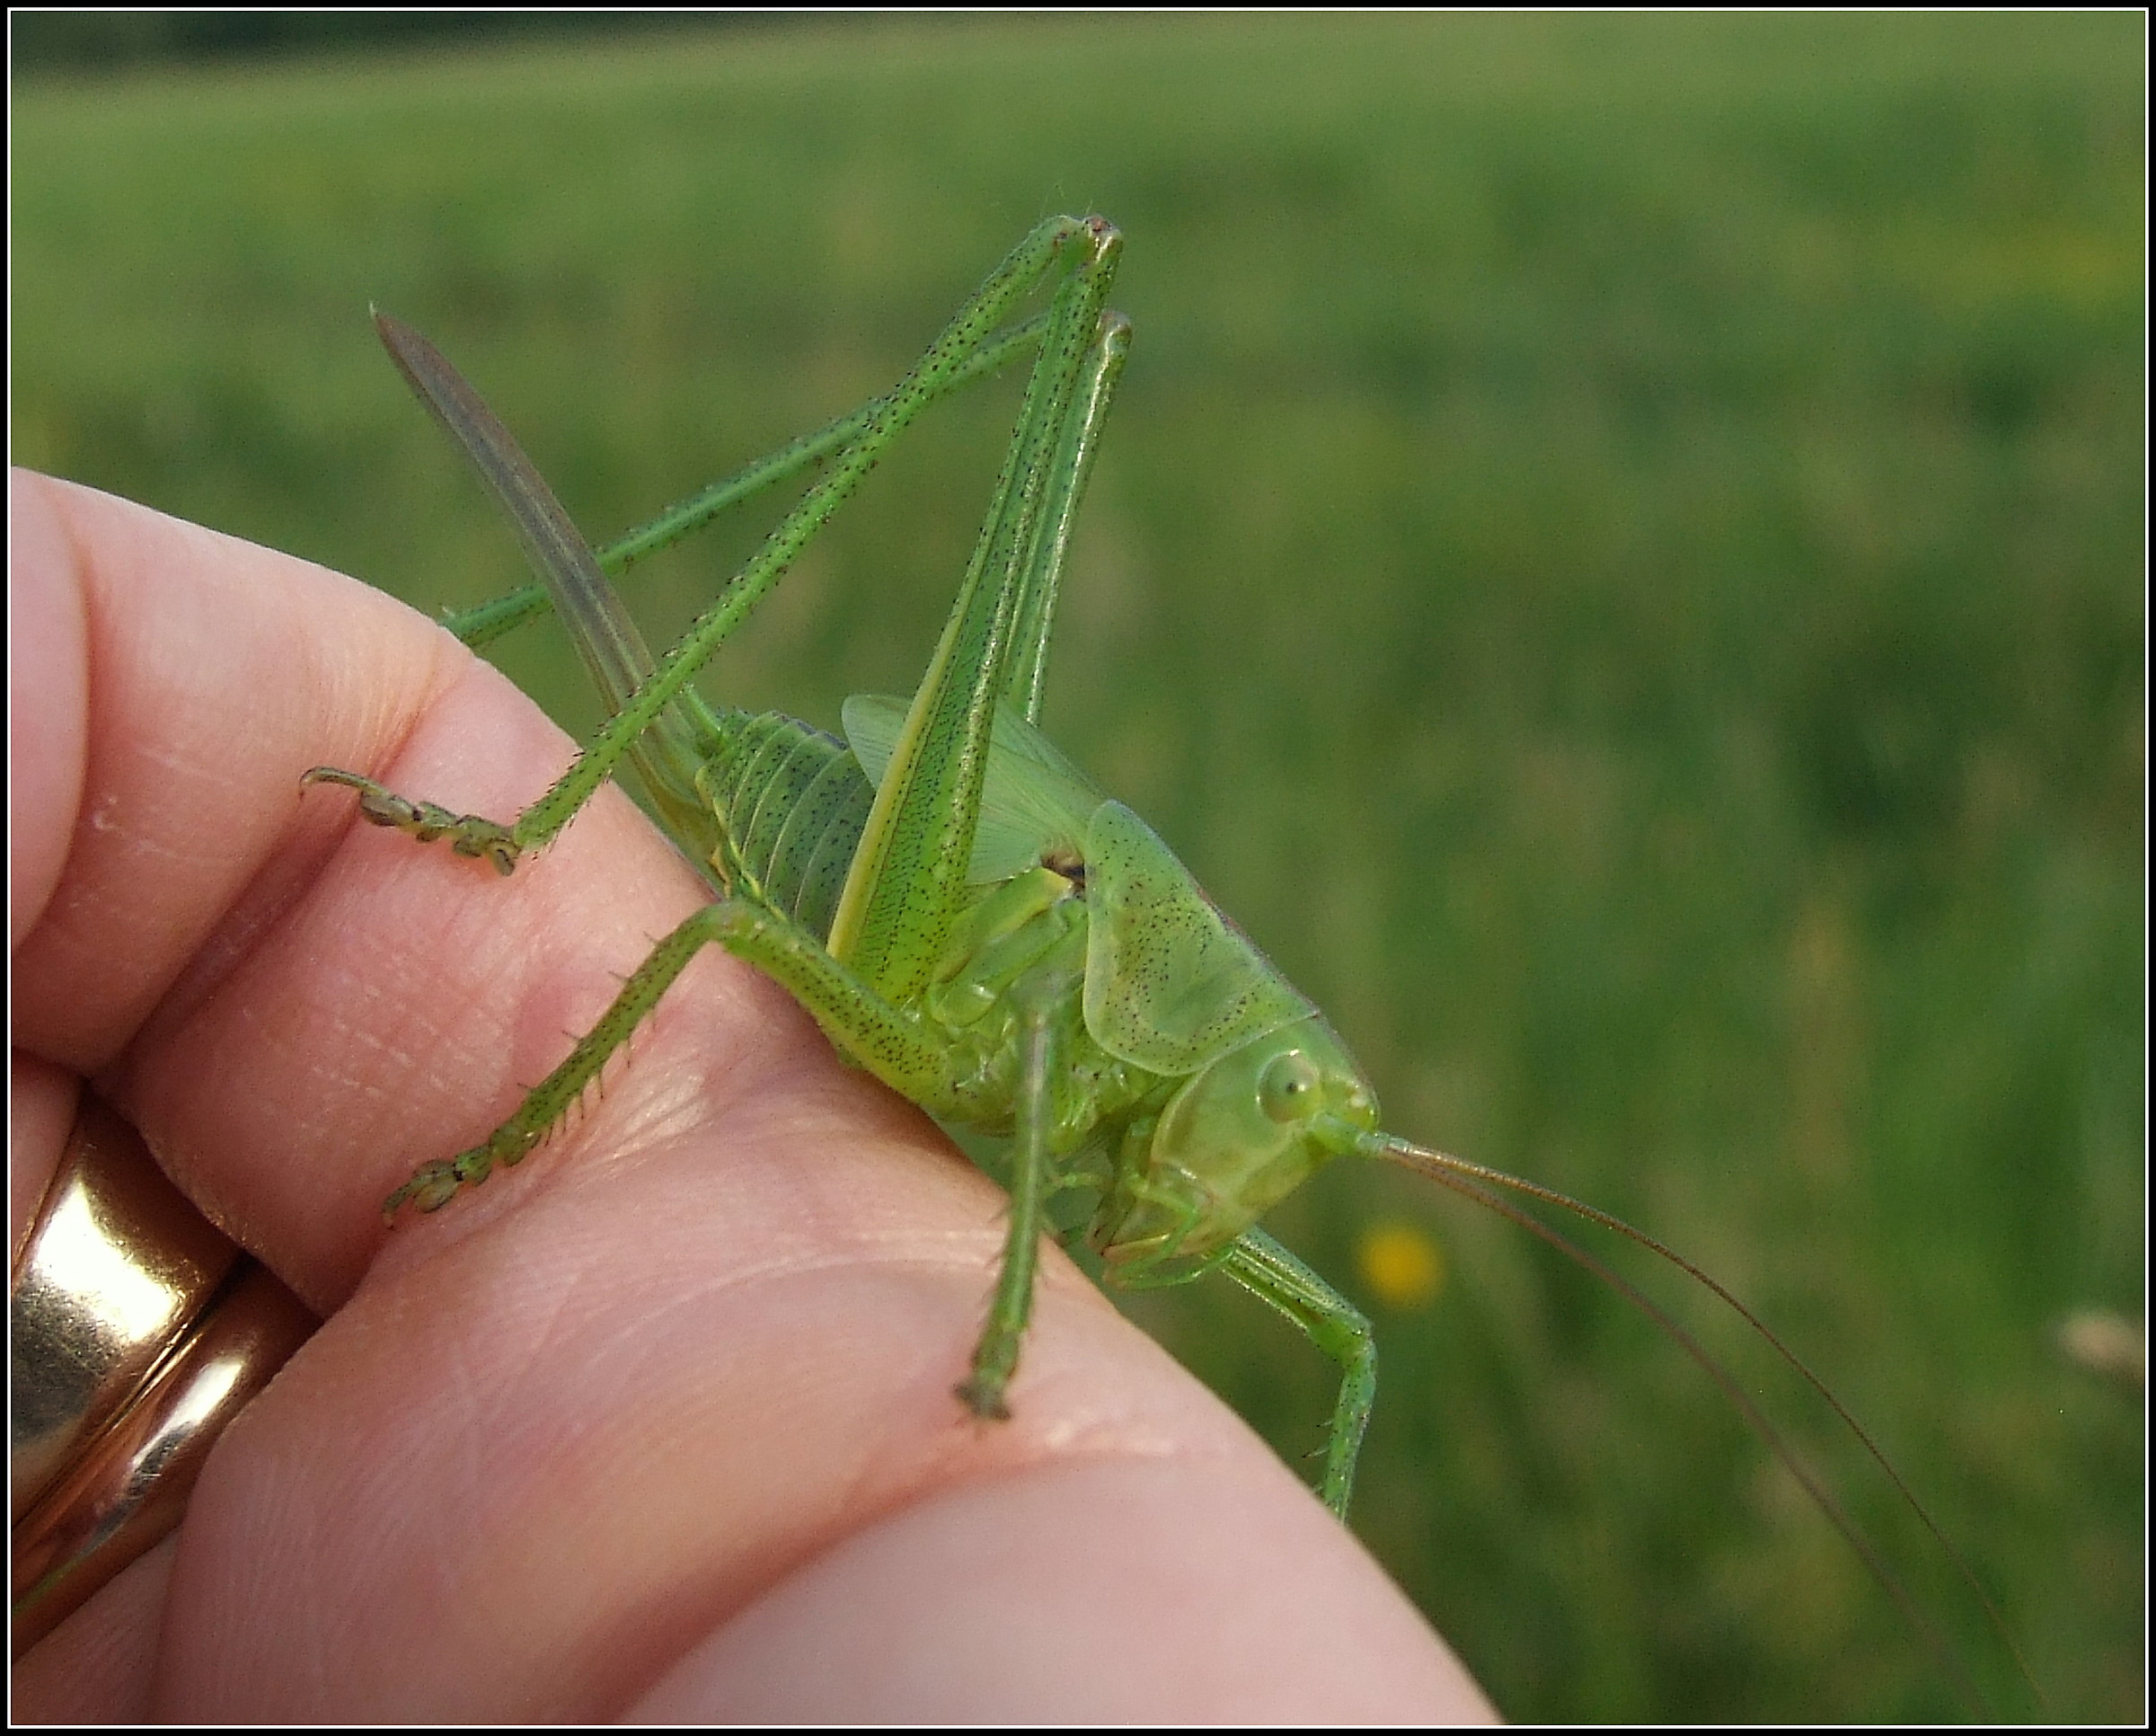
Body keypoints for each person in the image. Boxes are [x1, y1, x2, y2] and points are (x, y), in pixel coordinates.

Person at [11, 470, 1496, 1722]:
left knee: (1350, 1334)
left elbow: (1348, 1360)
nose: (1267, 1149)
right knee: (1071, 288)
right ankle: (517, 826)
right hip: (890, 915)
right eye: (1279, 1096)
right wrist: (1001, 1350)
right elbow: (842, 966)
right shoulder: (1072, 1020)